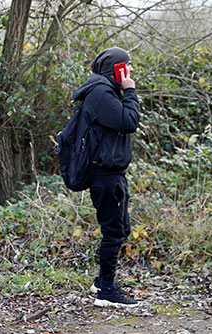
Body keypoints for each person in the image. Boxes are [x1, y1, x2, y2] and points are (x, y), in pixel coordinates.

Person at [72, 47, 140, 307]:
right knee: (113, 232)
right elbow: (129, 121)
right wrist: (130, 90)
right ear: (117, 69)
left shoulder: (106, 91)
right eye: (128, 65)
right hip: (105, 175)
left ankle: (102, 282)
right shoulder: (101, 93)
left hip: (113, 174)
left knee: (121, 229)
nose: (131, 70)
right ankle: (106, 292)